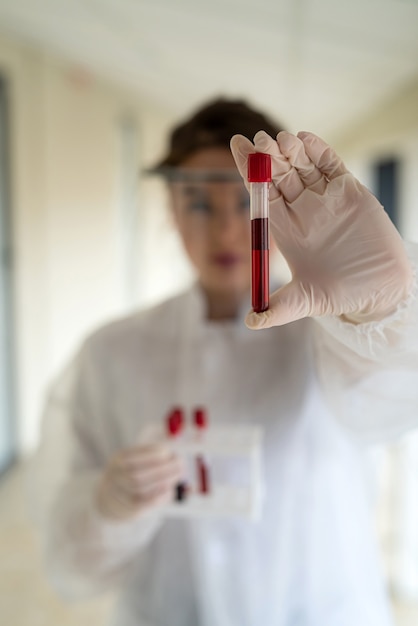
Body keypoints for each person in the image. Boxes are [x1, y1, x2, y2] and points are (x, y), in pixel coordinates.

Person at [34, 98, 418, 626]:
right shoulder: (112, 352)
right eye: (198, 203)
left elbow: (386, 406)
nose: (227, 232)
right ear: (169, 207)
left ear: (278, 203)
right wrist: (106, 509)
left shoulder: (337, 334)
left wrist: (380, 311)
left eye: (245, 202)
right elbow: (69, 566)